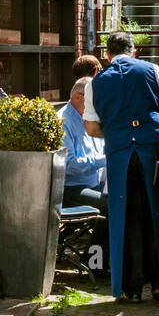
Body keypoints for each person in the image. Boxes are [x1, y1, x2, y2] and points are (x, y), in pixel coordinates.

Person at [83, 29, 159, 302]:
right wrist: (149, 114)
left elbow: (92, 127)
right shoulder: (152, 70)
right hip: (152, 149)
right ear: (134, 51)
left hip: (119, 154)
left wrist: (118, 131)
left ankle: (132, 288)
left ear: (106, 55)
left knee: (125, 217)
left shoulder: (96, 82)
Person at [59, 78, 108, 276]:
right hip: (70, 189)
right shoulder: (64, 120)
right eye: (93, 101)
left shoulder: (86, 118)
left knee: (125, 197)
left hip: (91, 184)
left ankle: (114, 258)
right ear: (78, 97)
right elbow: (69, 166)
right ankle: (94, 261)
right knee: (110, 204)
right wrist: (106, 159)